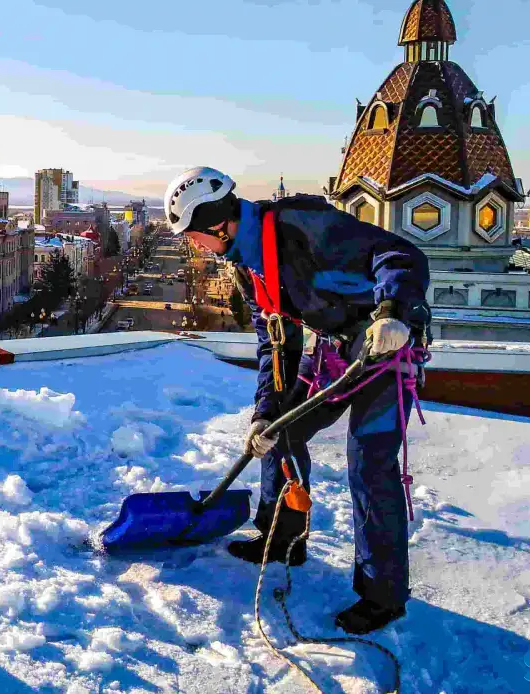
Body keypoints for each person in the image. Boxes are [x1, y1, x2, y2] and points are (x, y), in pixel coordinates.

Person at [164, 166, 431, 635]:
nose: (193, 246)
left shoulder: (301, 227)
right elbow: (275, 345)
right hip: (335, 349)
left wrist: (392, 312)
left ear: (215, 224)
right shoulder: (249, 269)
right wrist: (265, 412)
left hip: (385, 348)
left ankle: (383, 596)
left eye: (192, 236)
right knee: (280, 431)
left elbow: (398, 254)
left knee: (370, 463)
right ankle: (283, 539)